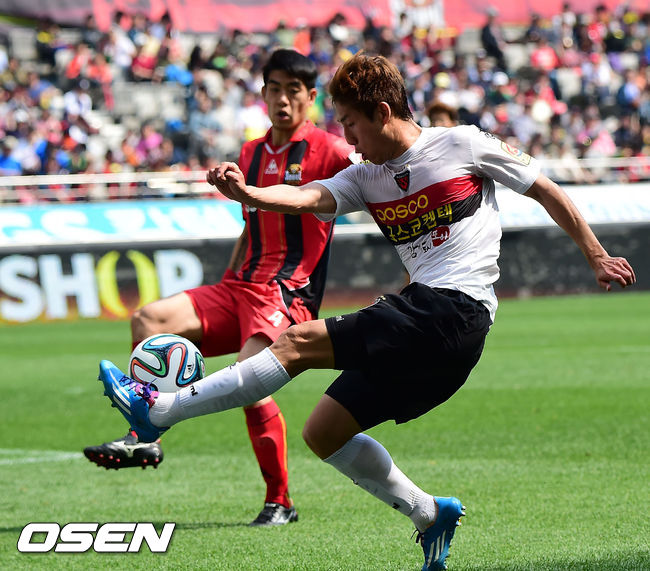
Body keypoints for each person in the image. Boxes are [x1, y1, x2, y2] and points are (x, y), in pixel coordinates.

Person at [97, 54, 635, 569]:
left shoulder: (462, 144)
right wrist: (249, 194)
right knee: (324, 432)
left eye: (351, 124)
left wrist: (596, 255)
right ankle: (429, 514)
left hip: (454, 309)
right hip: (438, 336)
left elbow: (545, 189)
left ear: (381, 112)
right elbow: (306, 199)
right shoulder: (364, 177)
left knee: (296, 342)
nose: (348, 139)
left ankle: (159, 411)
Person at [84, 48, 356, 527]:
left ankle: (280, 502)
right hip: (239, 286)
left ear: (311, 97)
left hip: (286, 292)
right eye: (275, 89)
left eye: (293, 91)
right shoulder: (250, 153)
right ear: (263, 94)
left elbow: (374, 180)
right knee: (149, 319)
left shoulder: (330, 150)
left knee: (251, 382)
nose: (283, 100)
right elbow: (250, 227)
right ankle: (146, 434)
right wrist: (230, 277)